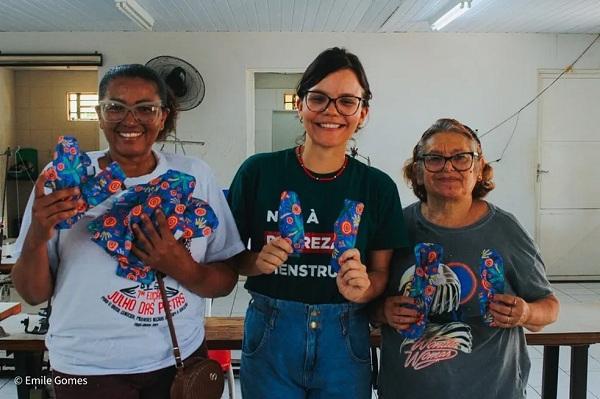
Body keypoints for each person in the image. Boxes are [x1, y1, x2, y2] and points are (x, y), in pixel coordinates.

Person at [11, 64, 245, 399]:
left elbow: (226, 279)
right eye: (115, 107)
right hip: (85, 368)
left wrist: (181, 266)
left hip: (176, 362)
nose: (130, 119)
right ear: (100, 114)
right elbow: (32, 294)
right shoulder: (65, 181)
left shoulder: (193, 176)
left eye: (146, 108)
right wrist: (37, 235)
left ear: (163, 116)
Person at [227, 47, 408, 399]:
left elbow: (381, 274)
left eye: (346, 101)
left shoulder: (378, 187)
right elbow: (230, 257)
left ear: (363, 113)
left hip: (344, 335)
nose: (331, 111)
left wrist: (363, 288)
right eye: (319, 98)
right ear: (300, 106)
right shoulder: (258, 172)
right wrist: (255, 261)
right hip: (271, 332)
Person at [374, 118, 559, 399]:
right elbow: (365, 305)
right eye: (435, 158)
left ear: (480, 169)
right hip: (407, 390)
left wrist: (525, 313)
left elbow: (548, 308)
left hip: (493, 390)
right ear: (419, 171)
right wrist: (383, 311)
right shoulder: (395, 227)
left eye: (461, 158)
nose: (448, 167)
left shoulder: (506, 230)